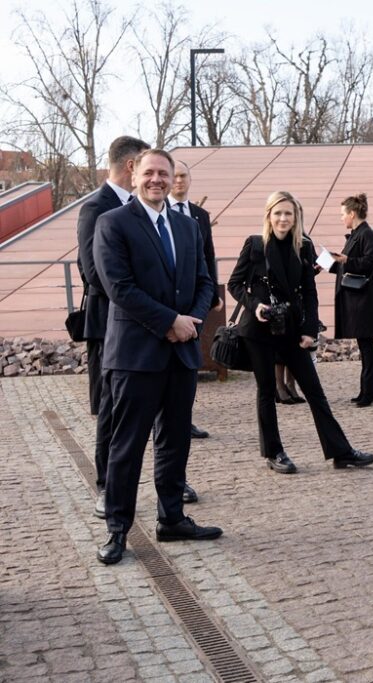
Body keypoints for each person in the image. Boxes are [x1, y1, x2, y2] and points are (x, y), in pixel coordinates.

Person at [93, 149, 221, 565]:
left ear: (172, 179)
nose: (156, 180)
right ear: (134, 176)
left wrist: (193, 320)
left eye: (163, 174)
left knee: (174, 441)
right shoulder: (112, 223)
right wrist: (170, 321)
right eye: (149, 173)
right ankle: (117, 529)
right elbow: (119, 287)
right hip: (136, 356)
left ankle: (172, 518)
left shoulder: (187, 226)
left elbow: (205, 281)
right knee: (126, 447)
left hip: (180, 355)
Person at [227, 191, 373, 474]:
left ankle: (341, 452)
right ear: (269, 216)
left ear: (296, 218)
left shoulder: (303, 246)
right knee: (267, 391)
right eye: (278, 213)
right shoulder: (255, 244)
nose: (283, 218)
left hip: (292, 329)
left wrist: (310, 330)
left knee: (315, 391)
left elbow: (309, 292)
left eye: (289, 214)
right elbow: (235, 284)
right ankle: (274, 452)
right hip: (258, 329)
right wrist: (255, 304)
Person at [77, 136, 150, 519]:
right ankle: (108, 484)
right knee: (111, 406)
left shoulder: (137, 208)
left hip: (139, 324)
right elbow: (94, 273)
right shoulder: (96, 208)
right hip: (111, 325)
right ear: (130, 167)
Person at [169, 160, 213, 504]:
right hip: (159, 323)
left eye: (183, 176)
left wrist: (206, 302)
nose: (178, 182)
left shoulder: (198, 215)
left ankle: (186, 421)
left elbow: (205, 260)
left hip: (193, 315)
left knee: (184, 386)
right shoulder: (141, 218)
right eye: (175, 176)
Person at [330, 194, 373, 407]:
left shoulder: (366, 234)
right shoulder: (358, 234)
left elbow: (370, 262)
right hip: (360, 301)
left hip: (364, 302)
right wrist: (329, 264)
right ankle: (368, 390)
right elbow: (349, 265)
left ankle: (370, 392)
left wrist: (347, 260)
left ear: (352, 214)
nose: (341, 218)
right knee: (365, 347)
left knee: (367, 347)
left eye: (342, 214)